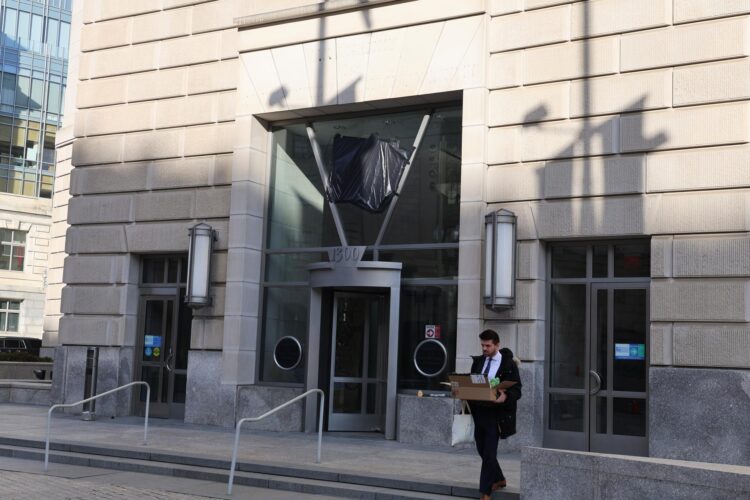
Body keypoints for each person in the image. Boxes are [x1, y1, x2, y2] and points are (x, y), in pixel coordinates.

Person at [468, 329, 522, 500]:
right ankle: (499, 479)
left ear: (497, 345)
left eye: (488, 345)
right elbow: (472, 384)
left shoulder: (508, 364)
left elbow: (517, 390)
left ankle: (485, 492)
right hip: (479, 411)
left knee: (490, 452)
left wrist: (506, 396)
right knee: (482, 449)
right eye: (482, 345)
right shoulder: (478, 362)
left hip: (496, 414)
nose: (484, 349)